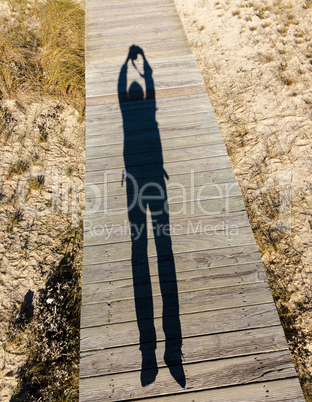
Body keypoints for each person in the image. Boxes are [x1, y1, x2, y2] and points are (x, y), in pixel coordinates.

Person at [118, 45, 185, 388]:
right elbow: (149, 91)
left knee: (146, 253)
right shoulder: (142, 113)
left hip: (139, 176)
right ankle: (163, 354)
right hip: (151, 177)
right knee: (158, 253)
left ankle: (162, 355)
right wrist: (140, 67)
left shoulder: (131, 114)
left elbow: (123, 89)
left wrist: (128, 66)